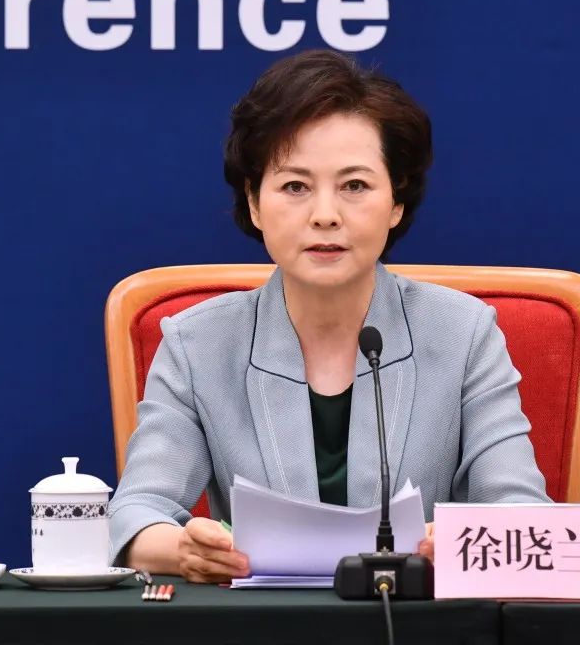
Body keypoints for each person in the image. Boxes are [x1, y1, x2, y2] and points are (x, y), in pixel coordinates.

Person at [108, 49, 550, 583]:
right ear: (254, 203)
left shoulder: (463, 333)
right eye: (295, 186)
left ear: (396, 202)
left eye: (354, 186)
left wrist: (458, 545)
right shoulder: (197, 344)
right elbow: (137, 514)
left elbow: (521, 510)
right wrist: (185, 550)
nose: (325, 215)